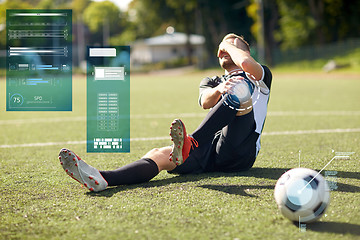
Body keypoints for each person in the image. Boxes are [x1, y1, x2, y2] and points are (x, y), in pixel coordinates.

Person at [58, 33, 273, 192]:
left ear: (245, 50)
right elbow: (205, 102)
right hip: (211, 150)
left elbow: (244, 62)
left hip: (241, 150)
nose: (224, 49)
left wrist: (228, 44)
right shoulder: (211, 81)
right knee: (159, 154)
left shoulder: (259, 76)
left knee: (240, 91)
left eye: (231, 46)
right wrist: (218, 89)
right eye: (222, 48)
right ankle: (103, 178)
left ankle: (191, 142)